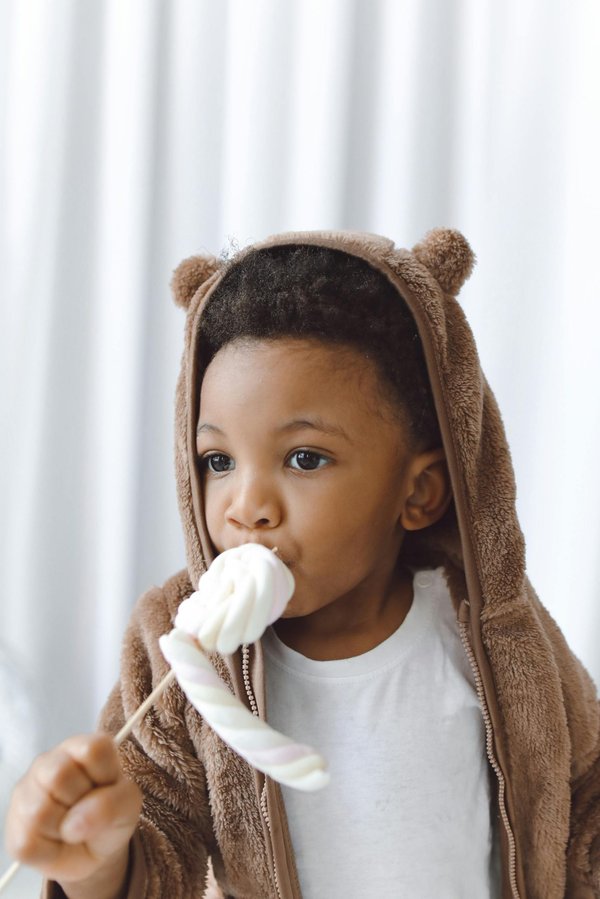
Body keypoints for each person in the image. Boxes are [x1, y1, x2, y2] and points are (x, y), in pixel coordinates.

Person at [5, 229, 600, 898]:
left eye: (304, 458)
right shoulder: (178, 650)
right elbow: (157, 853)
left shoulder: (488, 627)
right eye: (218, 462)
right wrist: (95, 858)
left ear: (418, 492)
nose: (246, 506)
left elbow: (580, 802)